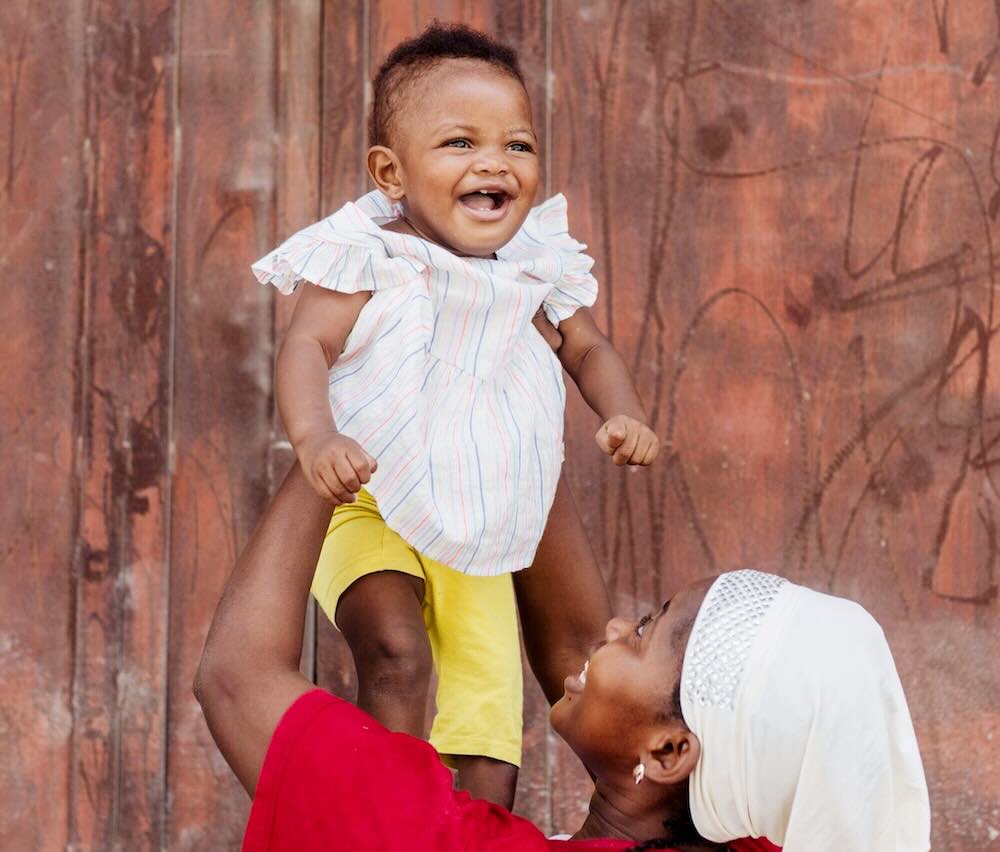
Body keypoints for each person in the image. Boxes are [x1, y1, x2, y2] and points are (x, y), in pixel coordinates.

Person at [250, 23, 656, 806]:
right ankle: (391, 818)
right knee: (396, 650)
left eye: (519, 145)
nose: (494, 162)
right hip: (365, 493)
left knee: (487, 702)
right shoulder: (366, 251)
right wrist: (316, 436)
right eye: (460, 142)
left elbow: (588, 349)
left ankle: (479, 829)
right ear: (390, 172)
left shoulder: (533, 261)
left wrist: (623, 412)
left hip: (480, 509)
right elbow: (304, 347)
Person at [194, 463, 932, 851]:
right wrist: (513, 387)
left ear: (672, 749)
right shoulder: (758, 829)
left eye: (643, 630)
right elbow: (585, 660)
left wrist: (343, 410)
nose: (613, 628)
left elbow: (237, 678)